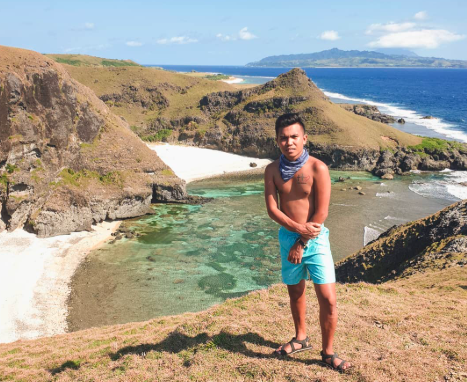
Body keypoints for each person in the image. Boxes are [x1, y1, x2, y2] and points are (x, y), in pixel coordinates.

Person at [264, 113, 352, 372]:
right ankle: (301, 338)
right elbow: (272, 209)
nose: (289, 142)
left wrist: (301, 241)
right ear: (277, 141)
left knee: (328, 298)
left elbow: (321, 213)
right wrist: (295, 231)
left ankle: (328, 352)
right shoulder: (271, 170)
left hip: (314, 239)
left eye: (294, 137)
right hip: (289, 237)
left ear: (304, 138)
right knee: (296, 291)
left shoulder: (317, 168)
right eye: (283, 138)